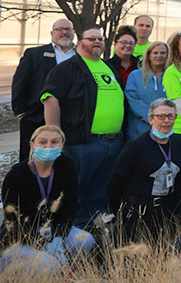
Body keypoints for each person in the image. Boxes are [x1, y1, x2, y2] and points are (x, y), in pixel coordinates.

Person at [41, 26, 124, 226]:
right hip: (82, 143)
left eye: (100, 39)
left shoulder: (108, 67)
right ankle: (67, 232)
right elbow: (50, 99)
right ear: (80, 42)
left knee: (99, 193)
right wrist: (55, 137)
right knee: (75, 191)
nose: (97, 42)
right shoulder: (66, 69)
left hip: (112, 142)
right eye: (91, 39)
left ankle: (89, 233)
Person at [0, 125, 95, 272]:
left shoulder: (67, 166)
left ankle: (67, 273)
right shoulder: (16, 176)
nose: (48, 147)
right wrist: (43, 243)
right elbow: (13, 220)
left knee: (85, 240)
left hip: (53, 231)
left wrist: (58, 236)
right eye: (43, 142)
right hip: (19, 240)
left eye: (55, 142)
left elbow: (70, 206)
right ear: (32, 146)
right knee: (49, 263)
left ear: (62, 145)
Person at [107, 99, 181, 242]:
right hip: (139, 211)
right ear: (150, 119)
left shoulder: (179, 145)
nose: (166, 121)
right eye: (161, 117)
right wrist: (118, 210)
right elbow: (116, 182)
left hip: (167, 210)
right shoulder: (135, 146)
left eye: (170, 116)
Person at [13, 19, 76, 162]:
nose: (64, 32)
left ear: (73, 32)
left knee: (65, 159)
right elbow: (20, 83)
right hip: (36, 116)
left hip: (73, 118)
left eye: (68, 29)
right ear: (52, 33)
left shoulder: (81, 55)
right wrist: (21, 112)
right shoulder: (34, 54)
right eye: (59, 29)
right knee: (32, 160)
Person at [124, 41, 169, 141]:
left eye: (162, 53)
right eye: (155, 53)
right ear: (148, 55)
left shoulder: (171, 76)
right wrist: (154, 117)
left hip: (165, 130)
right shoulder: (135, 75)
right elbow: (133, 100)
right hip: (139, 131)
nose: (159, 56)